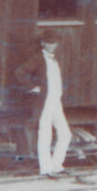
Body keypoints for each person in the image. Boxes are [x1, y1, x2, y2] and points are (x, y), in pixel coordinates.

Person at [15, 30, 72, 177]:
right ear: (43, 44)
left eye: (53, 43)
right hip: (45, 101)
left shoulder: (54, 59)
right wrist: (32, 87)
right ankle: (46, 169)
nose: (51, 46)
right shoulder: (39, 58)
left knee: (65, 133)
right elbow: (20, 72)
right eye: (48, 43)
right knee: (45, 133)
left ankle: (57, 165)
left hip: (55, 100)